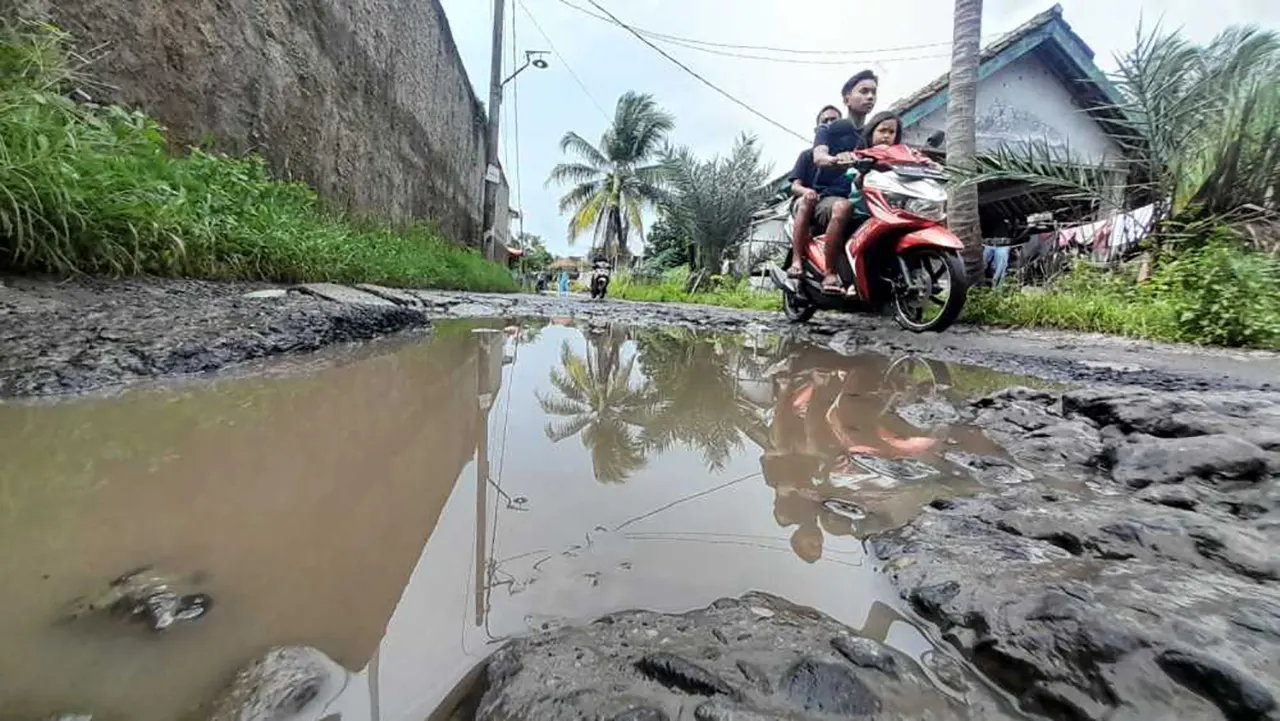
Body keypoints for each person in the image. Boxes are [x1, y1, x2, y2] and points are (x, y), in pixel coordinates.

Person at [812, 70, 878, 294]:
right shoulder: (828, 130)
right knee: (844, 207)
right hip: (829, 197)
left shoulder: (874, 133)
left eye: (873, 93)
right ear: (846, 98)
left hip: (867, 195)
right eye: (864, 91)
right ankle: (829, 273)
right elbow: (819, 156)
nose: (870, 97)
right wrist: (834, 159)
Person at [786, 105, 842, 279]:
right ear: (818, 129)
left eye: (835, 120)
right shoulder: (807, 155)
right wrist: (807, 191)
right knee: (806, 202)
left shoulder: (846, 156)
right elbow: (794, 186)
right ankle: (797, 260)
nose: (830, 123)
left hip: (830, 203)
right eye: (825, 121)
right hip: (807, 201)